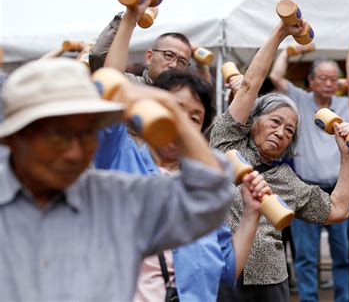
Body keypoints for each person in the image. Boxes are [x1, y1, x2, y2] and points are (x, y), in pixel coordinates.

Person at [0, 58, 236, 300]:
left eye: (87, 135)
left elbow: (210, 196)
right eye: (59, 135)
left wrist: (172, 109)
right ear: (14, 138)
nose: (75, 153)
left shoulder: (117, 199)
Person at [210, 19, 349, 301]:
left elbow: (338, 210)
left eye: (289, 131)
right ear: (253, 120)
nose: (281, 132)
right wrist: (280, 32)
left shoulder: (287, 181)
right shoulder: (226, 144)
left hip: (271, 284)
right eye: (275, 121)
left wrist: (347, 156)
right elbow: (249, 85)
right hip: (222, 275)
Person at [94, 68, 268, 301]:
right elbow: (108, 91)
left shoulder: (203, 193)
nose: (180, 123)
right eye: (173, 109)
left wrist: (251, 214)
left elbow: (226, 272)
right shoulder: (121, 157)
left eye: (194, 118)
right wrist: (125, 28)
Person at [267, 32, 349, 302]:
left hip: (339, 191)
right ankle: (309, 299)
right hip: (305, 188)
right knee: (306, 256)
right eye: (323, 78)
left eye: (333, 79)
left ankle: (342, 299)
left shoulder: (344, 104)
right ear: (311, 81)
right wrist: (288, 52)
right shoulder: (299, 100)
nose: (329, 84)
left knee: (342, 254)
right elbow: (275, 77)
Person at [89, 0, 211, 84]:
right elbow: (98, 56)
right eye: (168, 55)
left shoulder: (184, 101)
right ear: (149, 57)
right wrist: (127, 17)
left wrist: (202, 66)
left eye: (182, 61)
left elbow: (205, 99)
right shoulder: (131, 85)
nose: (173, 65)